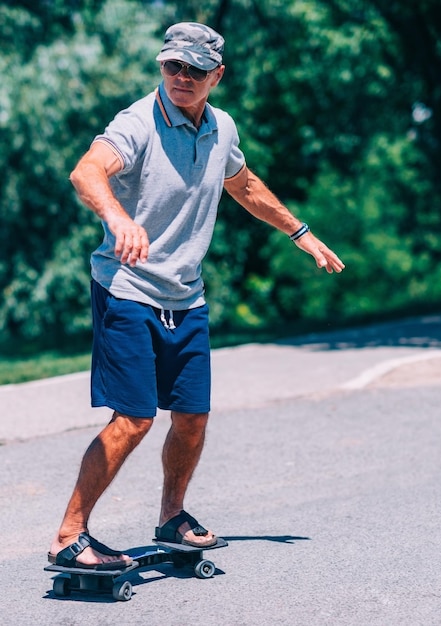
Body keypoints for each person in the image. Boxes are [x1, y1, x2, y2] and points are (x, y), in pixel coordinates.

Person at [48, 22, 345, 569]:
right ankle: (70, 535)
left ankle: (172, 517)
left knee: (191, 417)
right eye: (172, 66)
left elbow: (245, 185)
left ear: (217, 76)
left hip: (186, 296)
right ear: (162, 66)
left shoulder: (221, 127)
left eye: (195, 69)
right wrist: (117, 218)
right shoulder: (137, 122)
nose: (182, 77)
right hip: (128, 289)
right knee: (133, 419)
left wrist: (300, 233)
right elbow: (86, 172)